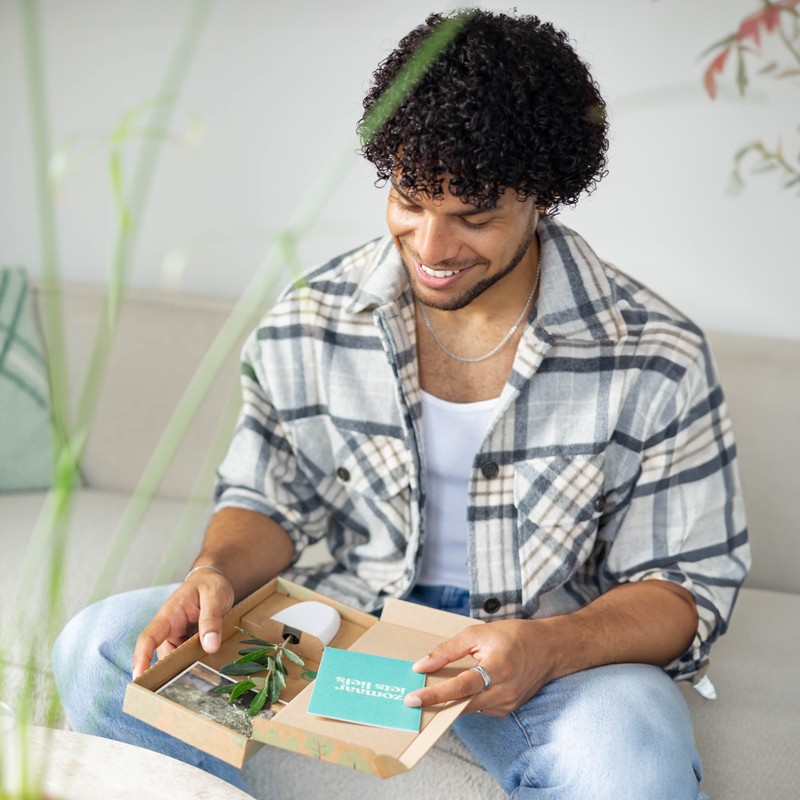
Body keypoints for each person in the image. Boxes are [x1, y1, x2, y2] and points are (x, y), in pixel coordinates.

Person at [53, 9, 750, 799]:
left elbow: (684, 588)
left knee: (630, 764)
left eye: (474, 217)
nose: (430, 246)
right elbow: (267, 502)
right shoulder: (315, 317)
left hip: (548, 652)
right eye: (409, 200)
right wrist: (214, 570)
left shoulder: (654, 351)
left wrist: (550, 647)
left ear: (544, 195)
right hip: (343, 625)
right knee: (99, 648)